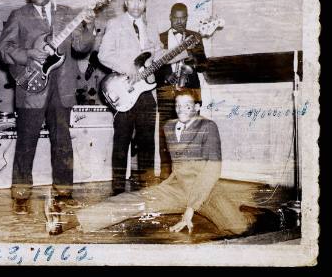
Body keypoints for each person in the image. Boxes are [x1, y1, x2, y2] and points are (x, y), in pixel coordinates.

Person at [45, 89, 277, 237]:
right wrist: (164, 189)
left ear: (197, 107)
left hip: (206, 191)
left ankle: (265, 214)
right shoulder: (168, 127)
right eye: (178, 106)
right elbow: (179, 167)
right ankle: (64, 221)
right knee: (131, 202)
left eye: (188, 106)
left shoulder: (209, 127)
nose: (182, 111)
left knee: (237, 227)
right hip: (177, 189)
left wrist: (190, 209)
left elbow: (211, 170)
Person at [0, 0, 95, 214]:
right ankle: (20, 194)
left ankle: (64, 192)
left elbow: (81, 48)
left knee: (62, 142)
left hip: (62, 88)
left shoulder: (68, 14)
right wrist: (28, 54)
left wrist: (89, 27)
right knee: (26, 142)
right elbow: (3, 49)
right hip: (31, 87)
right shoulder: (18, 15)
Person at [98, 0, 163, 194]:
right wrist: (128, 68)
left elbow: (159, 55)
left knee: (147, 143)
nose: (136, 4)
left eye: (141, 0)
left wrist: (172, 53)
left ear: (146, 3)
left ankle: (147, 190)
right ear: (126, 3)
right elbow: (103, 54)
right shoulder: (115, 24)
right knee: (121, 141)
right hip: (124, 91)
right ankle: (117, 191)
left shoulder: (151, 28)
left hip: (146, 93)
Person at [155, 3, 207, 179]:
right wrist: (165, 76)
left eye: (183, 17)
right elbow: (153, 66)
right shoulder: (160, 38)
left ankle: (188, 176)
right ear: (170, 17)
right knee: (166, 134)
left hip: (189, 92)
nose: (179, 21)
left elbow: (203, 65)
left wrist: (193, 56)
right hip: (167, 91)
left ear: (187, 17)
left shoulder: (195, 36)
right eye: (176, 17)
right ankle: (166, 175)